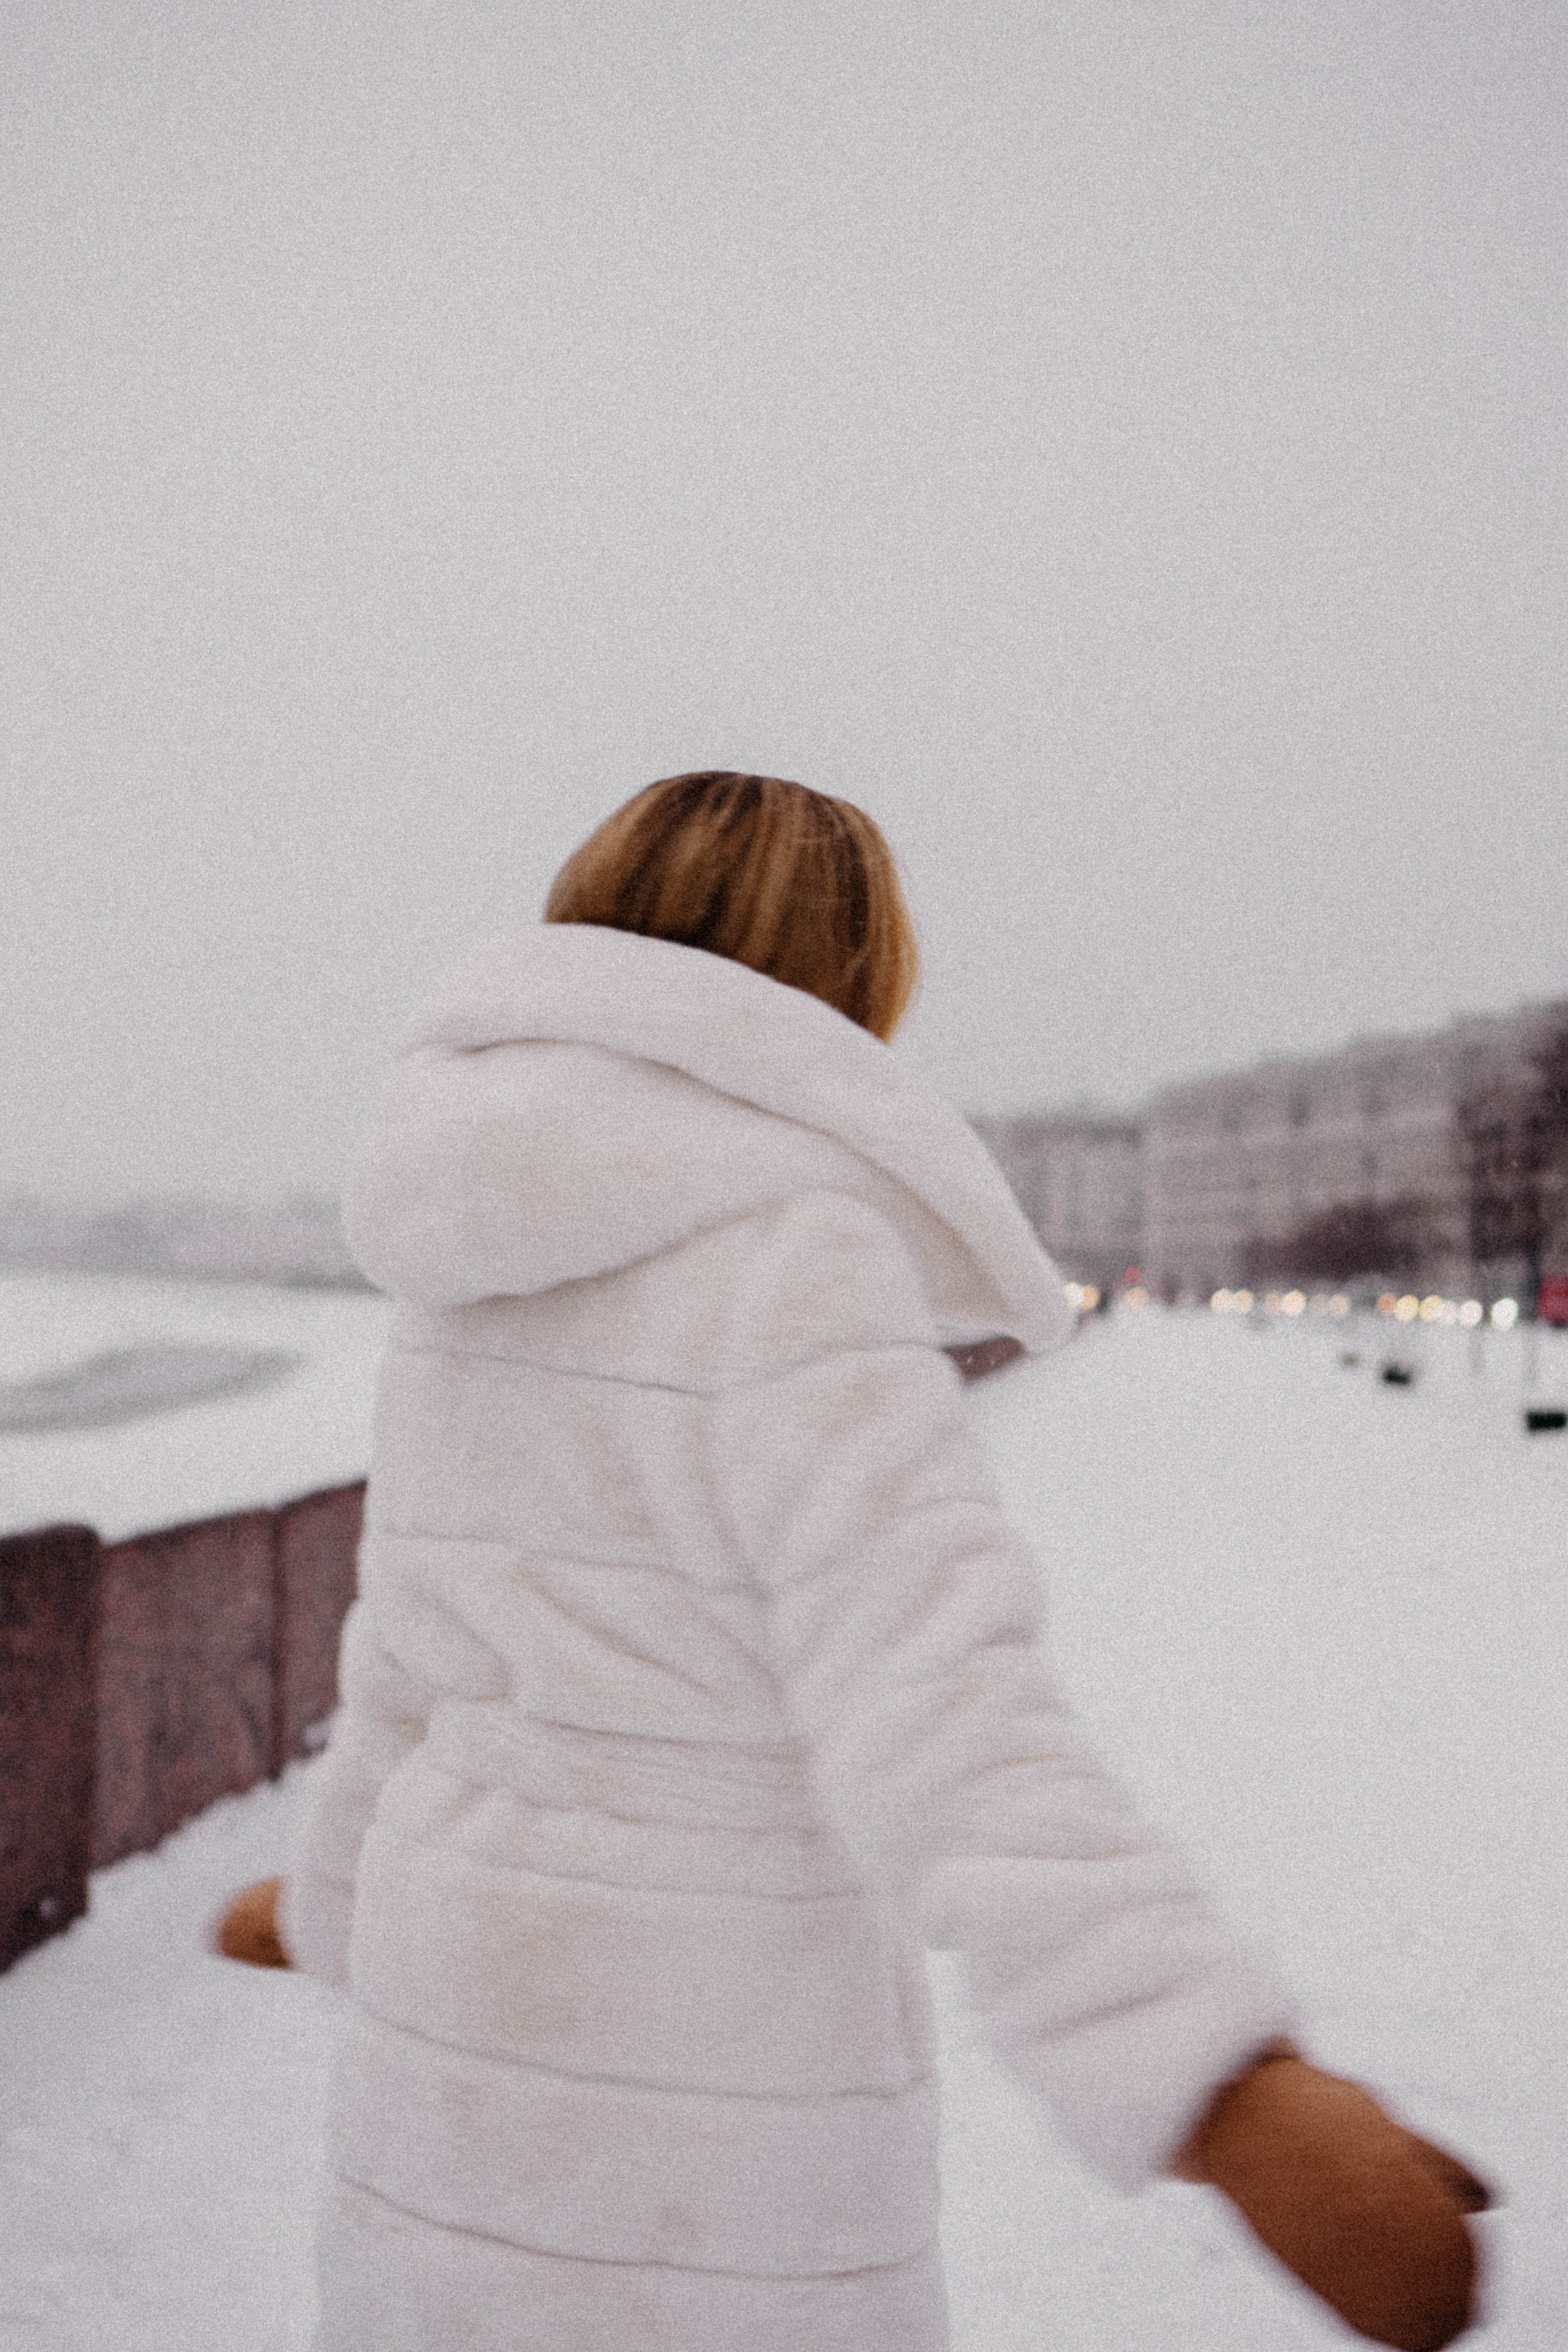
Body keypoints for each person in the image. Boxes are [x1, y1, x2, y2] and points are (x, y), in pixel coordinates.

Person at [221, 774, 1488, 2351]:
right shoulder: (792, 1256)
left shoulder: (464, 1270)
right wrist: (1215, 2083)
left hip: (451, 2016)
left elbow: (408, 1656)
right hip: (707, 2060)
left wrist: (335, 1902)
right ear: (846, 979)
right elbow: (942, 1714)